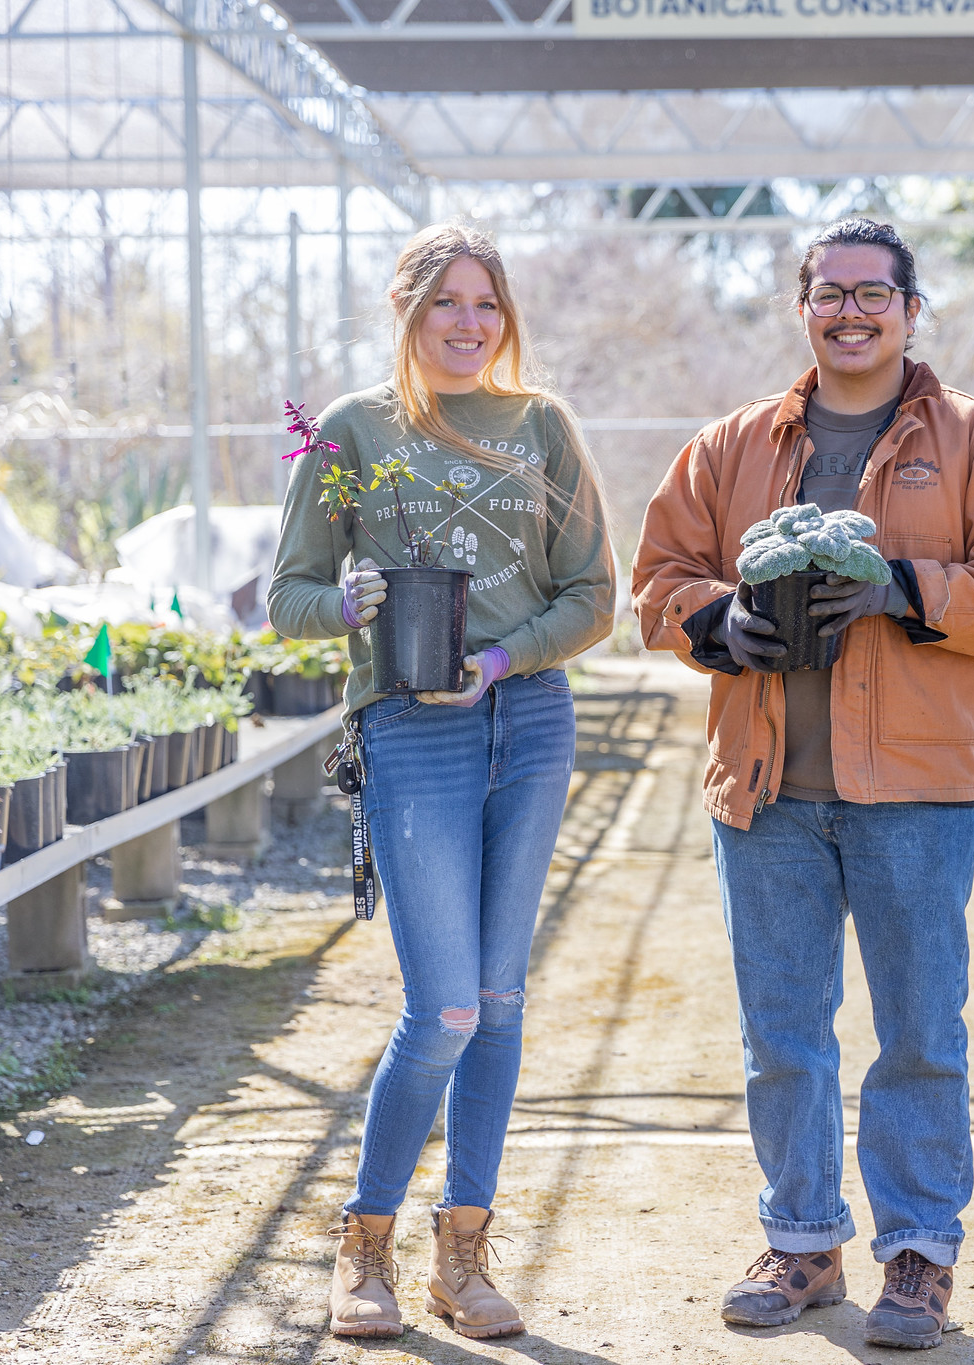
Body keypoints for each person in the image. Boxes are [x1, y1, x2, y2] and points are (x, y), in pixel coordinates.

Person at [630, 218, 974, 1351]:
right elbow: (657, 580)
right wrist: (718, 622)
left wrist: (900, 592)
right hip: (765, 791)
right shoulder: (728, 445)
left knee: (918, 1029)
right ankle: (803, 1241)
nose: (851, 311)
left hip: (914, 790)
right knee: (783, 1032)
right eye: (829, 292)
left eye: (874, 293)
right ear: (802, 308)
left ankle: (917, 1253)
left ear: (911, 311)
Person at [269, 222, 615, 1342]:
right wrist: (356, 601)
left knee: (504, 1001)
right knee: (447, 1007)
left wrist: (507, 659)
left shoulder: (542, 426)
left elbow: (592, 594)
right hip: (410, 732)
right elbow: (289, 596)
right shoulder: (353, 432)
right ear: (406, 313)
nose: (468, 324)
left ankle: (460, 1256)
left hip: (531, 724)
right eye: (444, 305)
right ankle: (362, 1243)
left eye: (486, 304)